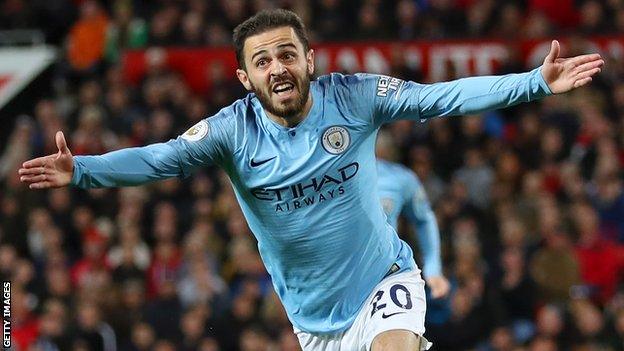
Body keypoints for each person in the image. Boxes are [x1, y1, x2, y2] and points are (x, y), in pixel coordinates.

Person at [19, 9, 603, 351]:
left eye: (287, 54)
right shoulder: (231, 132)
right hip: (314, 322)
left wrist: (533, 82)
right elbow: (159, 158)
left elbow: (440, 96)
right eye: (264, 61)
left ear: (310, 59)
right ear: (245, 77)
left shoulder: (354, 97)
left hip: (385, 282)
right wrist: (83, 172)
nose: (279, 68)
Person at [375, 130, 449, 299]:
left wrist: (433, 268)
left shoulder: (402, 178)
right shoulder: (336, 174)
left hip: (383, 273)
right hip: (339, 272)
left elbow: (424, 219)